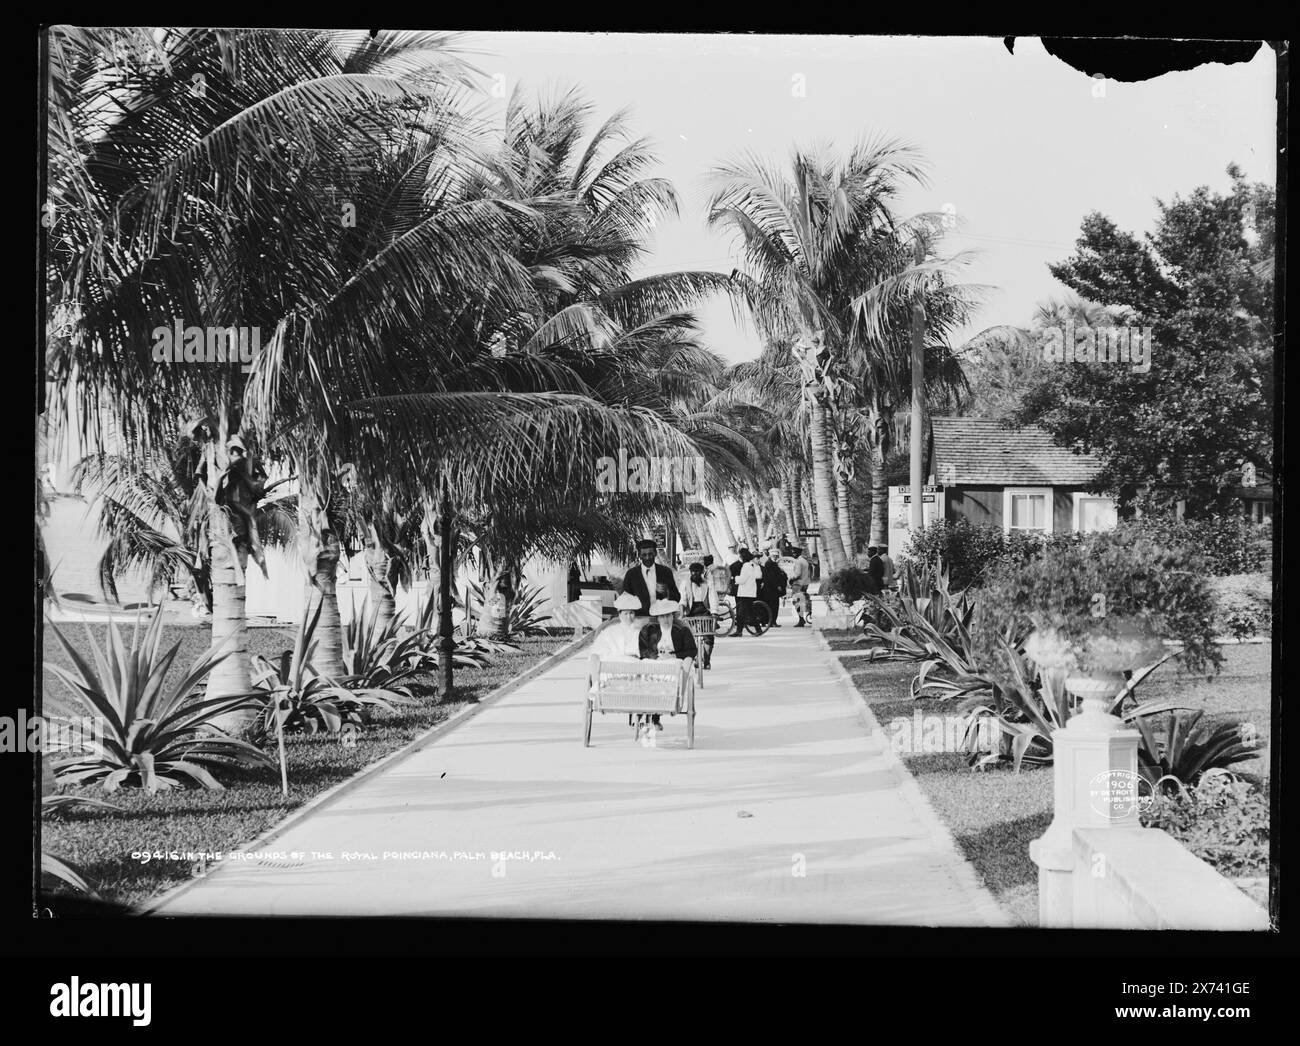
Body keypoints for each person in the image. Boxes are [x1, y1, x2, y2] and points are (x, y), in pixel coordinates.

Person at [636, 598, 698, 740]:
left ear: (673, 616)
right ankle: (649, 714)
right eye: (662, 616)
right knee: (648, 673)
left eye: (668, 616)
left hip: (674, 663)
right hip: (656, 663)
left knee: (672, 674)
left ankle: (668, 704)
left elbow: (691, 650)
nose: (666, 619)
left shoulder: (682, 630)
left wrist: (675, 655)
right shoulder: (649, 631)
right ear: (657, 618)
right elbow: (643, 650)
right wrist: (655, 657)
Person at [621, 538, 680, 616]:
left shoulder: (666, 572)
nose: (647, 558)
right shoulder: (631, 574)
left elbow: (677, 597)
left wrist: (667, 592)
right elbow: (625, 599)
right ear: (639, 556)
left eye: (650, 554)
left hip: (662, 618)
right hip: (640, 619)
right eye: (644, 555)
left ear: (655, 553)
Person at [682, 561, 716, 669]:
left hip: (704, 610)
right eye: (693, 572)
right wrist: (682, 610)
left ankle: (706, 659)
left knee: (709, 636)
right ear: (690, 572)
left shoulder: (708, 583)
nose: (695, 574)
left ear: (702, 573)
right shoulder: (685, 583)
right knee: (689, 636)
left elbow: (713, 597)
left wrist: (714, 612)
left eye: (697, 572)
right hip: (690, 611)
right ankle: (695, 656)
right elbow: (682, 598)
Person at [592, 591, 644, 661]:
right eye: (626, 614)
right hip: (613, 665)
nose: (629, 617)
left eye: (631, 613)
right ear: (619, 615)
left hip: (635, 666)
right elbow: (598, 651)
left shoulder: (640, 632)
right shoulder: (609, 631)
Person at [730, 549, 762, 636]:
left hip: (745, 593)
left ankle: (739, 631)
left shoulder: (746, 566)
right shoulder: (750, 565)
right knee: (749, 613)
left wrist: (734, 578)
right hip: (748, 592)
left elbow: (743, 579)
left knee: (741, 613)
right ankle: (757, 629)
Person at [760, 546, 787, 628]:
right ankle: (772, 622)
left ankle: (771, 621)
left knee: (772, 606)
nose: (775, 557)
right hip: (772, 590)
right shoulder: (770, 564)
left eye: (776, 556)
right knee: (773, 606)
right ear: (770, 556)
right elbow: (772, 577)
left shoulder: (772, 564)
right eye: (774, 556)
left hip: (772, 590)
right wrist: (778, 585)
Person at [788, 546, 812, 626]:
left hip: (798, 584)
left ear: (798, 553)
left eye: (794, 553)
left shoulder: (798, 561)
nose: (793, 554)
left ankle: (801, 619)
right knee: (803, 601)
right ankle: (806, 616)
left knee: (797, 602)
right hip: (805, 583)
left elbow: (797, 574)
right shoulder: (805, 561)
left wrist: (791, 579)